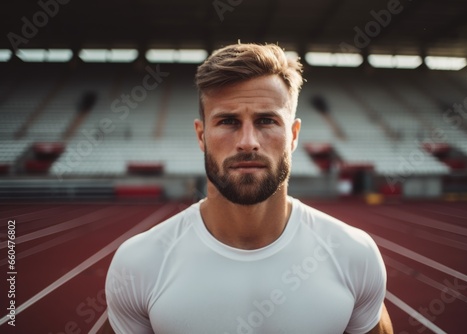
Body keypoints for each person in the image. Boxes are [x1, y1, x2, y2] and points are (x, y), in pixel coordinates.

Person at [105, 42, 393, 334]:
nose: (248, 142)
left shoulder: (354, 254)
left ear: (293, 135)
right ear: (201, 135)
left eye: (266, 120)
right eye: (228, 121)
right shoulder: (138, 263)